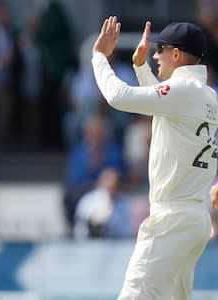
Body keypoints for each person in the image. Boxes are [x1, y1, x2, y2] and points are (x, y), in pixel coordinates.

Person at [92, 17, 217, 299]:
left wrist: (99, 56)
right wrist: (140, 67)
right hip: (195, 219)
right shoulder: (207, 95)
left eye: (160, 49)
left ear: (176, 54)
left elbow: (117, 95)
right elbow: (164, 106)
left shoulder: (184, 92)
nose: (156, 55)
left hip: (172, 218)